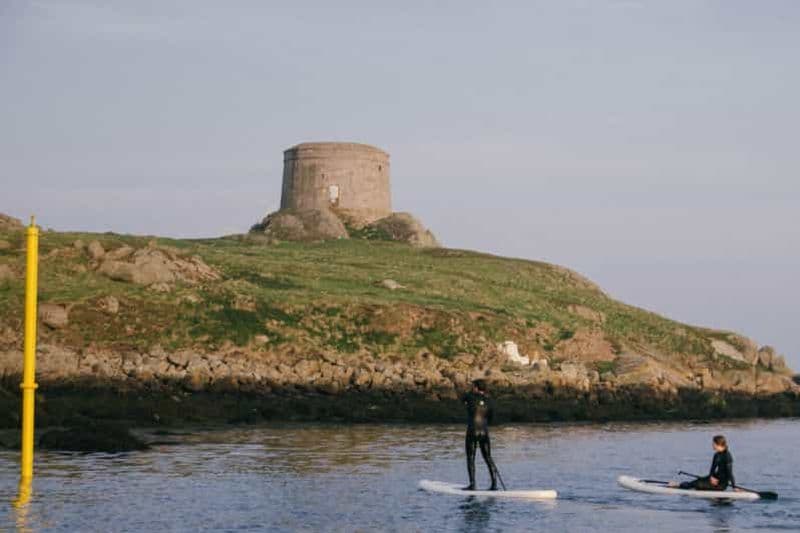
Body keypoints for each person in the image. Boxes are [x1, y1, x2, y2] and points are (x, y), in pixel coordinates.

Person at [461, 379, 498, 491]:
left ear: (476, 387)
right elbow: (491, 418)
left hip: (472, 431)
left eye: (473, 386)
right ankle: (494, 484)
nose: (472, 388)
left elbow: (462, 399)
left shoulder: (470, 397)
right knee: (488, 457)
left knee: (471, 458)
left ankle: (472, 484)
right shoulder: (489, 400)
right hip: (484, 431)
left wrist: (470, 394)